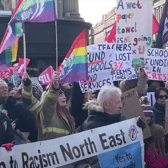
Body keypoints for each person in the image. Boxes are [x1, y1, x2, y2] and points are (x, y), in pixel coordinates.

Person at [22, 71, 75, 141]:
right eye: (60, 95)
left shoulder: (65, 113)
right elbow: (29, 99)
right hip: (50, 150)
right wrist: (27, 85)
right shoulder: (47, 113)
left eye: (64, 94)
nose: (64, 97)